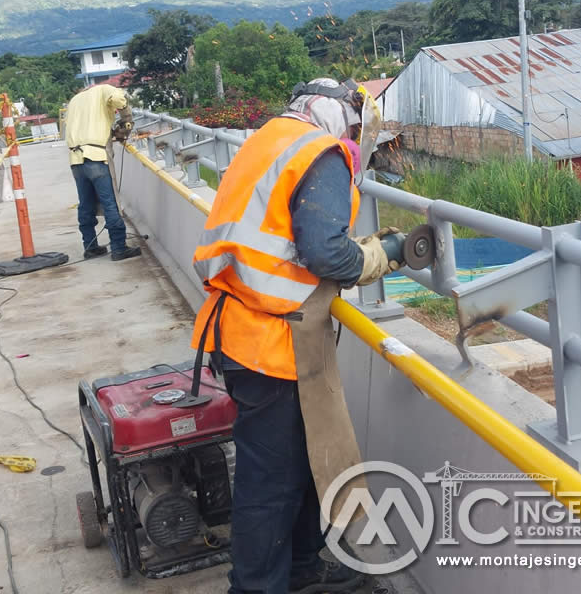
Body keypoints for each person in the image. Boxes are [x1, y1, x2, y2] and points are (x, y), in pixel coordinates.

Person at [190, 78, 401, 593]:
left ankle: (304, 568)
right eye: (354, 131)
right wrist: (379, 256)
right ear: (341, 119)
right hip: (270, 340)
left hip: (239, 324)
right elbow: (327, 254)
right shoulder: (321, 153)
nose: (354, 141)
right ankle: (257, 585)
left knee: (302, 464)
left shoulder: (271, 137)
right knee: (272, 482)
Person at [64, 84, 141, 261]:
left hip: (76, 159)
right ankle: (119, 248)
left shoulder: (74, 100)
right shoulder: (104, 89)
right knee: (110, 203)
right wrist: (125, 116)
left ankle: (90, 247)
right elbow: (118, 99)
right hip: (97, 156)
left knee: (85, 204)